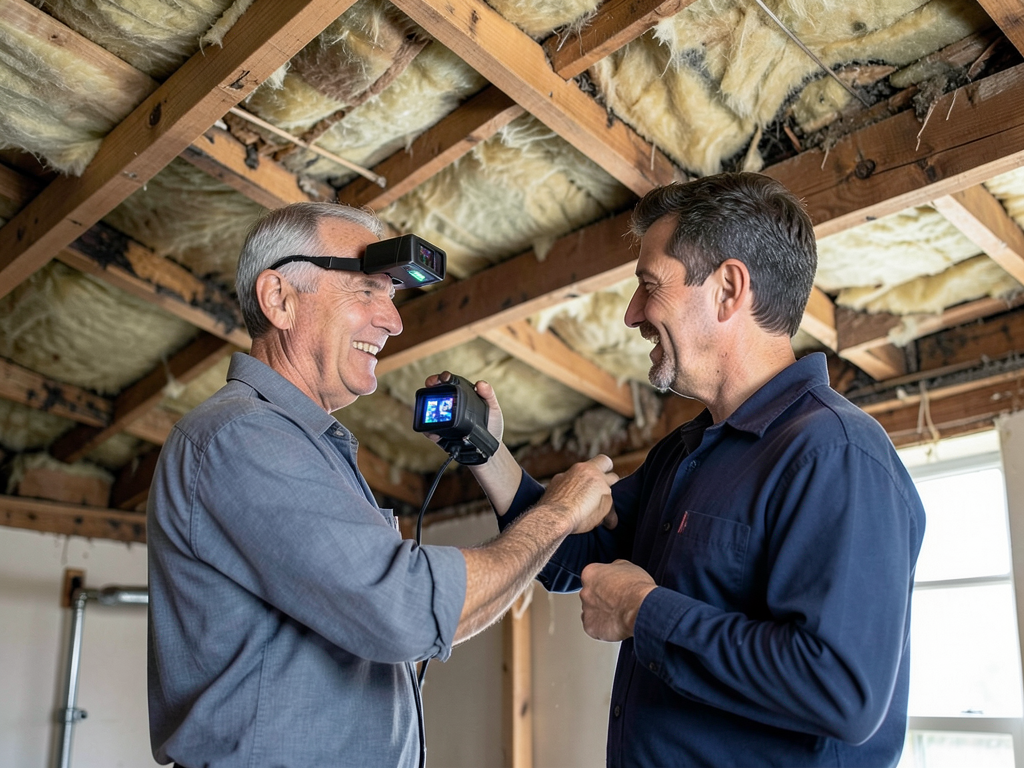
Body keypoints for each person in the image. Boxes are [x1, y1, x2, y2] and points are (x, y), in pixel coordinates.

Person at [464, 173, 926, 767]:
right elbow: (570, 558)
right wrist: (483, 448)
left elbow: (840, 690)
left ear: (729, 289)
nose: (632, 314)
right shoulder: (682, 452)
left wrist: (643, 610)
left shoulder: (835, 454)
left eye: (649, 286)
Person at [146, 202, 617, 768]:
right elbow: (406, 612)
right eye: (367, 290)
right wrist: (560, 511)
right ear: (280, 299)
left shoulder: (308, 447)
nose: (393, 322)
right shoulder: (240, 437)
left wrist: (485, 452)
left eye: (391, 298)